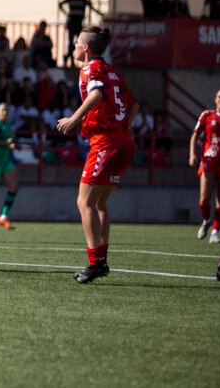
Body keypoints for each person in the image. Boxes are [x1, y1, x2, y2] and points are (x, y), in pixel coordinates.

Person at [56, 26, 139, 284]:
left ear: (86, 48)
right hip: (123, 141)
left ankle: (96, 263)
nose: (74, 47)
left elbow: (96, 94)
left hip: (106, 142)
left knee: (85, 203)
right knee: (100, 203)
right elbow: (134, 105)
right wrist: (123, 128)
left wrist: (74, 119)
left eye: (76, 44)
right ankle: (100, 260)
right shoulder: (112, 71)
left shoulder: (89, 68)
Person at [190, 89, 220, 244]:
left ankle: (215, 232)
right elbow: (195, 135)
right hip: (209, 160)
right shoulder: (206, 115)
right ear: (215, 99)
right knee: (204, 198)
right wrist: (192, 154)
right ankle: (206, 221)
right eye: (219, 96)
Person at [59, 0, 102, 66]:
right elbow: (60, 4)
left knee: (78, 42)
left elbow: (92, 7)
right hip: (72, 23)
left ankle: (68, 57)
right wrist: (66, 14)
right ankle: (70, 59)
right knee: (71, 42)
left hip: (78, 23)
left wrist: (100, 14)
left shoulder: (83, 1)